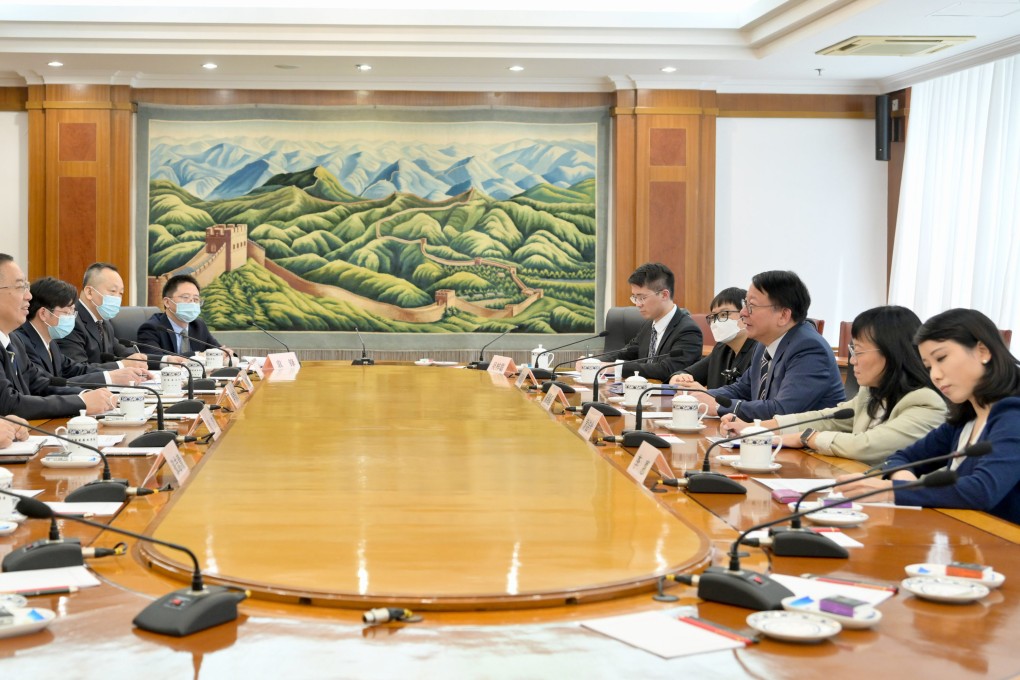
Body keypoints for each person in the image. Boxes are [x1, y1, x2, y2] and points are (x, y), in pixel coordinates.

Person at [839, 309, 1020, 524]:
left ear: (983, 351)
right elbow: (901, 458)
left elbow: (982, 490)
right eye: (928, 366)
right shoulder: (967, 416)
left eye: (941, 358)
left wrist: (895, 491)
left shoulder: (1013, 415)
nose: (935, 374)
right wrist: (902, 479)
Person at [721, 306, 946, 465]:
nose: (853, 361)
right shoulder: (871, 393)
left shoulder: (925, 404)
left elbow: (866, 446)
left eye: (858, 351)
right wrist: (759, 428)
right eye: (851, 351)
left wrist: (806, 438)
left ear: (892, 353)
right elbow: (827, 418)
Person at [680, 270, 844, 420]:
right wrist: (696, 395)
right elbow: (740, 389)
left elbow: (782, 410)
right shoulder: (764, 346)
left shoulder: (809, 349)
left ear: (783, 315)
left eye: (751, 306)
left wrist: (718, 406)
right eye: (745, 304)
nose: (743, 313)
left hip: (807, 449)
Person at [0, 253, 117, 418]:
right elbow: (9, 403)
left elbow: (41, 384)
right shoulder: (22, 339)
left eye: (27, 287)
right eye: (20, 287)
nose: (29, 296)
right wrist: (82, 403)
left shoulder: (14, 341)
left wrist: (87, 395)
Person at [14, 277, 150, 386]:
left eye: (73, 311)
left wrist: (118, 371)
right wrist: (108, 379)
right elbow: (46, 385)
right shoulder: (22, 342)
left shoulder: (50, 343)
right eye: (67, 312)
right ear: (43, 313)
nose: (71, 318)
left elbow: (76, 369)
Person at [602, 262, 702, 382]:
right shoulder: (649, 324)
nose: (637, 304)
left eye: (642, 297)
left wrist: (617, 368)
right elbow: (627, 353)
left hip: (669, 397)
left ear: (664, 295)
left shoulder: (688, 331)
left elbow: (667, 369)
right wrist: (595, 362)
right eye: (635, 297)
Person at [57, 262, 149, 366]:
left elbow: (125, 354)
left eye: (121, 293)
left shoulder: (104, 323)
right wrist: (121, 366)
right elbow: (77, 368)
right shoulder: (70, 321)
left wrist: (164, 360)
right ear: (89, 292)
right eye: (113, 291)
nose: (117, 298)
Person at [669, 286, 758, 389]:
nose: (717, 322)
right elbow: (687, 372)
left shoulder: (759, 353)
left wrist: (709, 395)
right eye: (713, 316)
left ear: (745, 314)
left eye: (724, 314)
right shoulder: (721, 349)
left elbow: (748, 400)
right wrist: (679, 377)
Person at [138, 274, 231, 365]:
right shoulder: (152, 328)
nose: (192, 303)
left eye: (196, 299)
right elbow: (156, 360)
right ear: (167, 302)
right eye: (186, 297)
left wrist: (227, 354)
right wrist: (197, 355)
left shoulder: (198, 325)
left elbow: (218, 350)